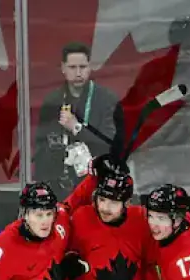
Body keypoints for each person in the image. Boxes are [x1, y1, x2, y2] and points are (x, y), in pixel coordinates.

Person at [33, 42, 124, 200]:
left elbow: (111, 144)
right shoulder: (52, 101)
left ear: (89, 68)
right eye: (72, 67)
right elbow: (41, 146)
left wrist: (76, 127)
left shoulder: (107, 100)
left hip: (97, 183)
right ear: (63, 68)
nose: (78, 73)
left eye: (82, 67)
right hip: (60, 184)